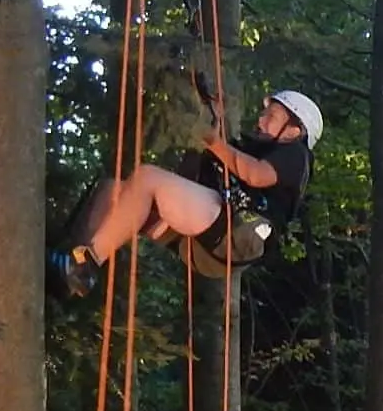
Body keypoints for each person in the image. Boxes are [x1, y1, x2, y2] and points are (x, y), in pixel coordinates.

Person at [47, 89, 322, 301]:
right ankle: (75, 268)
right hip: (203, 240)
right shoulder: (250, 149)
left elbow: (255, 175)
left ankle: (82, 266)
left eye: (271, 116)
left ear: (294, 130)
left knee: (148, 176)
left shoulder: (296, 156)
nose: (261, 120)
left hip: (234, 234)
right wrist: (206, 125)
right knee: (114, 190)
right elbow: (187, 180)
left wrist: (213, 141)